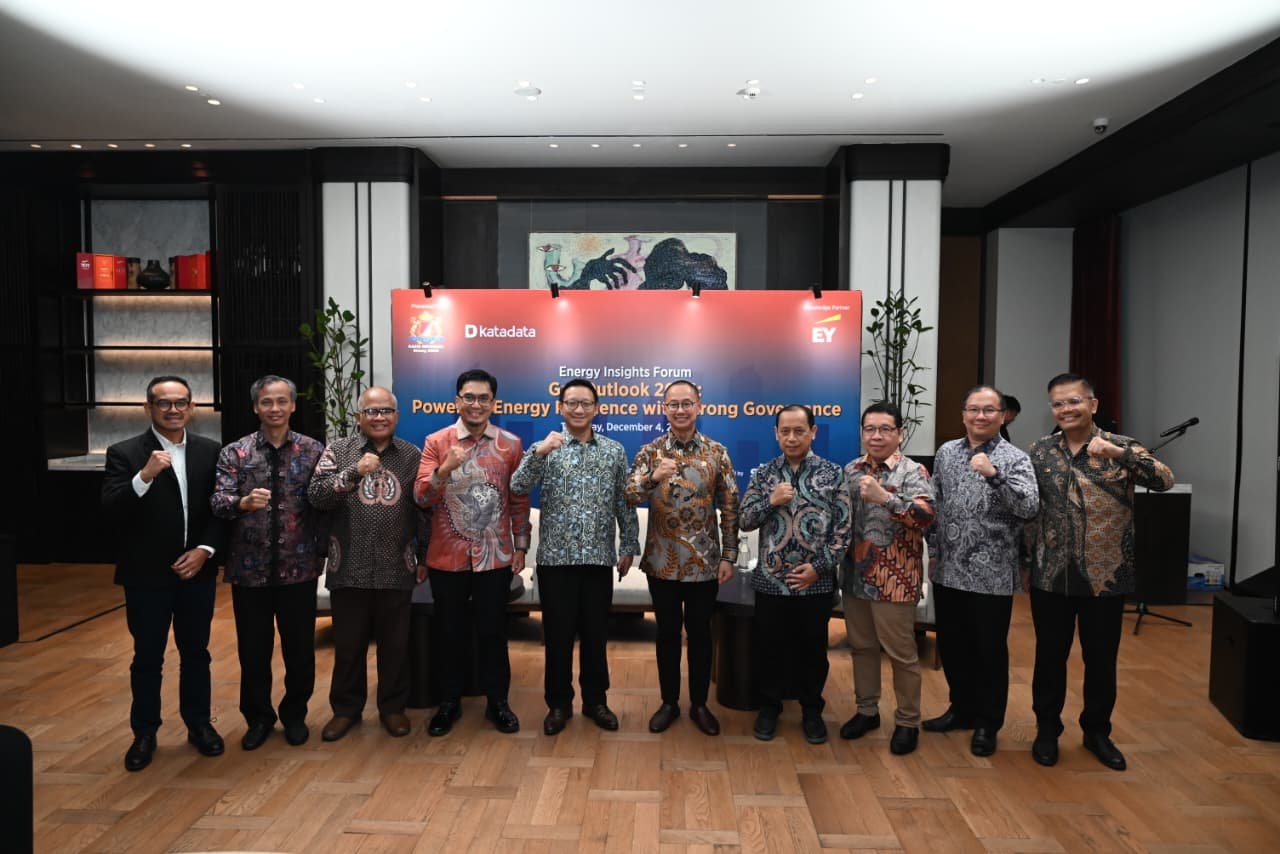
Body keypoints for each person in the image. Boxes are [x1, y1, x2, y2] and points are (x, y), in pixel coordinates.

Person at [1025, 373, 1174, 771]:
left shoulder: (1121, 445)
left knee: (1101, 660)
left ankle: (1096, 732)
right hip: (1051, 575)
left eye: (1074, 401)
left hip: (1106, 576)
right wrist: (1026, 559)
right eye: (1058, 404)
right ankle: (1046, 730)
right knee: (1049, 658)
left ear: (1093, 404)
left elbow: (1164, 480)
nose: (1066, 409)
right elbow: (1028, 507)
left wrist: (1119, 454)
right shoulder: (1040, 451)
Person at [101, 375, 226, 772]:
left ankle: (199, 724)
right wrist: (145, 475)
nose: (173, 409)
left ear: (192, 407)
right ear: (148, 408)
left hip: (196, 572)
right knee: (147, 657)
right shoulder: (125, 453)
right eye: (163, 403)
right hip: (146, 575)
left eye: (180, 402)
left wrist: (205, 551)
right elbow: (112, 508)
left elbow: (219, 510)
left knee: (196, 653)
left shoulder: (210, 451)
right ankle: (144, 732)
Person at [510, 379, 640, 735]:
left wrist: (629, 544)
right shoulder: (544, 447)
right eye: (572, 403)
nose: (579, 409)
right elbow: (517, 487)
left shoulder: (613, 450)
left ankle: (596, 701)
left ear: (597, 409)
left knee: (596, 636)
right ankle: (559, 704)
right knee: (558, 636)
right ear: (560, 408)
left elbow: (623, 501)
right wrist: (538, 455)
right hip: (556, 561)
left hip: (598, 559)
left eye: (586, 403)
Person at [307, 387, 428, 742]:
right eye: (371, 411)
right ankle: (346, 710)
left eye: (386, 411)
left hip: (396, 566)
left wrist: (425, 556)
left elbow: (424, 509)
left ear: (396, 416)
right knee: (348, 645)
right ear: (359, 417)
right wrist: (353, 473)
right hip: (348, 566)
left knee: (396, 646)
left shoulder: (411, 455)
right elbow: (316, 496)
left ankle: (392, 708)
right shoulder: (339, 450)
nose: (379, 417)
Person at [415, 369, 531, 736]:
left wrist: (521, 545)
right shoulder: (436, 442)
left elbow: (518, 499)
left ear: (494, 403)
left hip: (494, 557)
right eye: (469, 397)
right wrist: (443, 471)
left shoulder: (511, 445)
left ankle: (498, 702)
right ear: (457, 401)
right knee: (449, 633)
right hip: (447, 558)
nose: (476, 404)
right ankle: (448, 703)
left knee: (493, 633)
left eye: (483, 398)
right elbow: (421, 498)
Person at [211, 375, 325, 750]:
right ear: (255, 407)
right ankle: (258, 718)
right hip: (250, 570)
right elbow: (218, 502)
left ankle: (295, 715)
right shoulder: (235, 452)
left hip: (299, 568)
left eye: (281, 401)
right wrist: (242, 503)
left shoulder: (313, 450)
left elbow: (324, 503)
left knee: (300, 651)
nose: (274, 408)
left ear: (293, 405)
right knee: (253, 652)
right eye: (266, 402)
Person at [924, 386, 1039, 756]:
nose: (981, 416)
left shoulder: (1015, 459)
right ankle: (961, 709)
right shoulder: (946, 452)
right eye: (974, 409)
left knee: (988, 651)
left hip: (992, 574)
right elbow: (936, 504)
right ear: (963, 415)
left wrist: (995, 475)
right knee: (953, 646)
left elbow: (1029, 508)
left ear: (1002, 416)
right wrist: (933, 551)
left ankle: (988, 723)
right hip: (949, 569)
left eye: (989, 410)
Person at [626, 379, 739, 736]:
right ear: (664, 409)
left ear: (698, 406)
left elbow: (730, 507)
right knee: (667, 634)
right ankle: (669, 703)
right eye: (673, 404)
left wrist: (729, 555)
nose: (680, 410)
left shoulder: (717, 452)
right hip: (662, 562)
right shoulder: (650, 452)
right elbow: (628, 495)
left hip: (705, 564)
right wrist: (651, 478)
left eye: (686, 403)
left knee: (701, 635)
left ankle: (700, 705)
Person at [739, 405, 850, 745]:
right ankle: (769, 707)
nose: (791, 437)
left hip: (816, 584)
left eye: (799, 431)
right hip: (771, 582)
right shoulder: (764, 474)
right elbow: (744, 520)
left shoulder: (833, 474)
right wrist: (770, 501)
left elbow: (843, 531)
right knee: (769, 648)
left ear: (813, 432)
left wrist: (818, 569)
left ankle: (812, 711)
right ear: (776, 434)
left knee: (812, 651)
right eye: (784, 431)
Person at [839, 402, 935, 756]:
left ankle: (908, 721)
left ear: (899, 434)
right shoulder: (851, 470)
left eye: (885, 429)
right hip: (855, 578)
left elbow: (926, 517)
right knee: (862, 648)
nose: (876, 436)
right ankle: (867, 711)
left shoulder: (913, 471)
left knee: (901, 654)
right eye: (870, 429)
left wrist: (887, 499)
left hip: (895, 581)